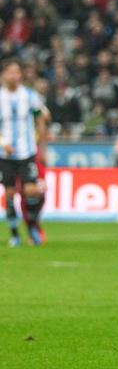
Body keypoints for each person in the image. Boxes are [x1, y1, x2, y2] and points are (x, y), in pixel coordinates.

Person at [1, 60, 50, 247]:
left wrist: (42, 148)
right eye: (10, 72)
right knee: (10, 193)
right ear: (4, 75)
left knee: (31, 191)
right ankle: (14, 234)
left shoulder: (30, 96)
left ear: (21, 75)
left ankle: (31, 227)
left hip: (27, 151)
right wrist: (3, 143)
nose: (14, 76)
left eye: (17, 72)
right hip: (5, 155)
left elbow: (41, 120)